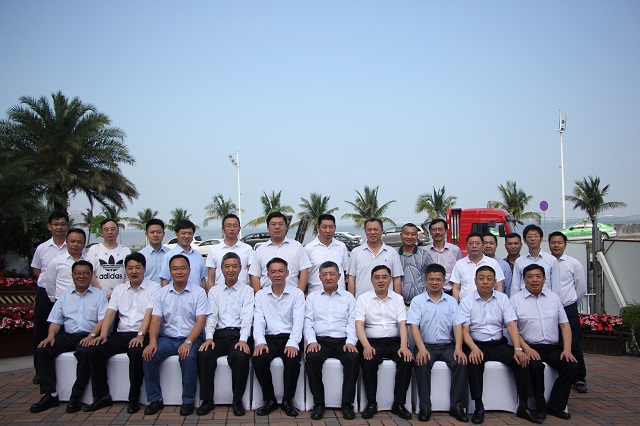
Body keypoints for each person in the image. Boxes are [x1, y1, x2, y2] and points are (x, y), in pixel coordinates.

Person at [456, 265, 539, 424]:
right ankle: (478, 406)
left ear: (495, 281)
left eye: (489, 279)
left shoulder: (503, 299)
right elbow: (464, 331)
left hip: (499, 344)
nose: (485, 282)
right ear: (475, 281)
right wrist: (473, 348)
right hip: (477, 344)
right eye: (481, 278)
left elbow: (511, 325)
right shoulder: (466, 301)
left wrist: (518, 349)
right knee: (474, 362)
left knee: (521, 360)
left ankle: (523, 405)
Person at [84, 252, 160, 414]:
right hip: (121, 334)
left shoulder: (154, 288)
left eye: (138, 267)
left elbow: (150, 313)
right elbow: (110, 312)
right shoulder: (120, 289)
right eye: (130, 268)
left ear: (144, 269)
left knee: (136, 352)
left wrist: (140, 335)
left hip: (142, 334)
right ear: (125, 270)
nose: (134, 271)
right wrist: (103, 334)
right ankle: (102, 396)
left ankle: (133, 399)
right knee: (93, 350)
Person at [30, 260, 107, 414]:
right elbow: (56, 321)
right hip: (67, 335)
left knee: (86, 352)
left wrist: (92, 336)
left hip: (88, 335)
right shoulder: (64, 297)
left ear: (92, 275)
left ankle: (76, 395)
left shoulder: (99, 295)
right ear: (72, 276)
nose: (81, 276)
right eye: (77, 273)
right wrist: (51, 335)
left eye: (85, 273)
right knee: (43, 350)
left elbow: (102, 320)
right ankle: (50, 394)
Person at [142, 254, 211, 416]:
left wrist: (188, 342)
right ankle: (155, 399)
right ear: (169, 271)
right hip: (168, 339)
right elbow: (156, 320)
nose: (179, 272)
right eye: (175, 269)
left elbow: (200, 321)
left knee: (188, 358)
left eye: (183, 268)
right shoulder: (162, 293)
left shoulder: (199, 292)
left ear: (189, 271)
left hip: (191, 338)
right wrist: (152, 342)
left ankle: (187, 401)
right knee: (149, 355)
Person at [512, 264, 578, 421]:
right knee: (535, 366)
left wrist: (567, 349)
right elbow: (512, 328)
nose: (534, 280)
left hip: (552, 347)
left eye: (538, 276)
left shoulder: (554, 298)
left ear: (544, 279)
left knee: (571, 366)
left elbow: (565, 325)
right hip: (530, 346)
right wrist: (526, 349)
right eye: (530, 277)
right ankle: (540, 406)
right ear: (524, 280)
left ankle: (556, 405)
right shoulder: (515, 300)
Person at [408, 263, 469, 422]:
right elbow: (414, 326)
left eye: (438, 279)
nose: (434, 282)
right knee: (422, 362)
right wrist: (421, 349)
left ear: (444, 281)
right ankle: (425, 407)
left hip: (447, 345)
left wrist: (458, 348)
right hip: (426, 345)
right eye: (431, 279)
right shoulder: (417, 301)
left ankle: (457, 406)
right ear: (425, 280)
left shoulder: (451, 301)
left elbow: (457, 325)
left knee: (461, 362)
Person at [197, 252, 254, 417]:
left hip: (239, 335)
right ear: (221, 269)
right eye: (227, 266)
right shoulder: (214, 291)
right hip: (219, 336)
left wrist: (243, 340)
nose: (231, 270)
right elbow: (212, 317)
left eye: (234, 266)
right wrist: (209, 338)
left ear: (241, 269)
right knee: (204, 354)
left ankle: (237, 400)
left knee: (241, 356)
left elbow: (247, 317)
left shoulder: (248, 291)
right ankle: (207, 400)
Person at [355, 265, 414, 420]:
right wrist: (366, 346)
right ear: (371, 280)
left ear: (390, 279)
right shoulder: (363, 299)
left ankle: (399, 404)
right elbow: (359, 325)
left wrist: (404, 346)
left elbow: (402, 324)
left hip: (394, 342)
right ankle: (371, 403)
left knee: (406, 360)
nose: (381, 281)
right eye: (377, 277)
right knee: (368, 360)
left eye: (384, 277)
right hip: (372, 342)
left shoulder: (398, 299)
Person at [304, 261, 359, 420]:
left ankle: (347, 403)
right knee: (312, 358)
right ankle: (319, 403)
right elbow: (308, 322)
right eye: (324, 274)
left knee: (353, 358)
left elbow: (353, 322)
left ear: (339, 276)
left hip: (342, 340)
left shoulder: (348, 297)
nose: (328, 277)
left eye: (332, 274)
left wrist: (350, 342)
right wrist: (312, 341)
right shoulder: (312, 297)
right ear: (320, 277)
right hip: (320, 341)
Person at [252, 257, 305, 417]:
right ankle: (269, 400)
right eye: (273, 272)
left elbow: (298, 321)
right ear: (267, 275)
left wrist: (293, 343)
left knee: (292, 359)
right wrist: (260, 342)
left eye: (281, 271)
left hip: (290, 337)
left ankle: (288, 400)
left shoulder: (297, 294)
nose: (277, 275)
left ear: (287, 273)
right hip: (269, 338)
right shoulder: (261, 295)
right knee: (259, 359)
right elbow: (258, 321)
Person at [31, 211, 69, 384]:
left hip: (65, 295)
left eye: (62, 224)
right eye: (56, 224)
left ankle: (62, 370)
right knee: (41, 330)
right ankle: (40, 371)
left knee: (63, 331)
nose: (59, 227)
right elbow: (37, 271)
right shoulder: (42, 248)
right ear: (49, 226)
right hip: (45, 294)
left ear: (67, 226)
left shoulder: (73, 245)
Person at [548, 231, 589, 394]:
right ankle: (559, 373)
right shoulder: (546, 262)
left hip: (568, 308)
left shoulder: (573, 264)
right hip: (549, 309)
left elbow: (581, 288)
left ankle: (579, 377)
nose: (556, 245)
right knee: (554, 342)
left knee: (574, 343)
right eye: (553, 242)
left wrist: (571, 304)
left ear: (565, 244)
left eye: (559, 242)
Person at [249, 212, 311, 292]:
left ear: (286, 227)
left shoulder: (297, 247)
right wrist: (259, 295)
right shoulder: (260, 250)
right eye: (273, 224)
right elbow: (255, 275)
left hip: (292, 294)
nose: (277, 227)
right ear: (268, 227)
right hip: (266, 295)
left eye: (281, 224)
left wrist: (299, 293)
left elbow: (304, 271)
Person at [348, 218, 403, 299]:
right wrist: (351, 301)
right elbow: (351, 279)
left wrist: (397, 300)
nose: (372, 232)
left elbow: (396, 278)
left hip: (387, 302)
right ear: (365, 231)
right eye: (369, 230)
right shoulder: (356, 252)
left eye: (375, 229)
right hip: (362, 302)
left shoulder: (392, 253)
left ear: (382, 231)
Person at [451, 232, 504, 302]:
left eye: (477, 243)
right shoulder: (459, 264)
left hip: (489, 303)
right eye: (471, 243)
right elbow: (456, 288)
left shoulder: (492, 263)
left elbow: (499, 286)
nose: (474, 246)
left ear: (483, 245)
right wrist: (455, 305)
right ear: (466, 246)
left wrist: (498, 302)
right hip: (465, 305)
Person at [304, 214, 349, 294]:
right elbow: (304, 274)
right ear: (318, 228)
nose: (328, 230)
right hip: (316, 294)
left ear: (335, 228)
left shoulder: (341, 246)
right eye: (324, 227)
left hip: (339, 294)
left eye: (331, 227)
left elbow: (345, 271)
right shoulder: (308, 248)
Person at [205, 214, 253, 289]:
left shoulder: (248, 249)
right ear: (223, 229)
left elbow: (252, 275)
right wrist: (211, 293)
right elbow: (211, 279)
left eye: (235, 226)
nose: (232, 229)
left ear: (239, 229)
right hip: (220, 292)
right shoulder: (214, 251)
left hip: (242, 292)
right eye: (228, 226)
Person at [86, 218, 131, 297]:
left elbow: (129, 275)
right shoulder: (94, 249)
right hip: (98, 296)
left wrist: (118, 293)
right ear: (101, 232)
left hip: (121, 296)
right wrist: (101, 294)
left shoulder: (126, 250)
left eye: (113, 229)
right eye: (106, 230)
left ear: (118, 232)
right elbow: (89, 273)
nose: (110, 232)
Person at [511, 225, 559, 297]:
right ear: (524, 240)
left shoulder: (551, 260)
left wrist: (554, 300)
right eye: (529, 236)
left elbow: (556, 286)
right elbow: (515, 287)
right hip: (525, 300)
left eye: (536, 236)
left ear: (541, 239)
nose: (533, 239)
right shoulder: (519, 261)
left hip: (546, 299)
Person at [42, 228, 87, 302]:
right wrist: (55, 300)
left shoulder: (89, 261)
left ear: (84, 244)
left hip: (85, 301)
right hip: (62, 301)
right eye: (72, 241)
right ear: (66, 242)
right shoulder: (56, 262)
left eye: (79, 242)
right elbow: (50, 285)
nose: (75, 244)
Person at [159, 220, 207, 289]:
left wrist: (204, 293)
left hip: (196, 295)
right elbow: (164, 281)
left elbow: (202, 279)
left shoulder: (198, 256)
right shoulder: (169, 256)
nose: (187, 236)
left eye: (190, 233)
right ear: (177, 234)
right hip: (175, 295)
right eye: (183, 233)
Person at [398, 223, 433, 305]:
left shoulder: (425, 255)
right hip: (399, 304)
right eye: (406, 234)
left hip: (422, 303)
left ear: (417, 236)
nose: (409, 237)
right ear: (401, 235)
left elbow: (431, 277)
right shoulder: (394, 255)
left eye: (413, 234)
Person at [425, 218, 462, 295]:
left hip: (450, 292)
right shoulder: (425, 251)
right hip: (429, 293)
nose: (437, 232)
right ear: (430, 232)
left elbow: (460, 271)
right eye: (434, 230)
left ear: (445, 231)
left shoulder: (455, 250)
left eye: (440, 229)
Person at [139, 218, 169, 283]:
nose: (155, 235)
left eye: (159, 232)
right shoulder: (141, 255)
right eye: (152, 232)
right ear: (146, 234)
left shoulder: (170, 254)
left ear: (163, 234)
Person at [482, 232, 513, 297]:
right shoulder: (476, 263)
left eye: (491, 243)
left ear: (496, 246)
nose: (488, 246)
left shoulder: (504, 265)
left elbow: (508, 287)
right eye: (485, 243)